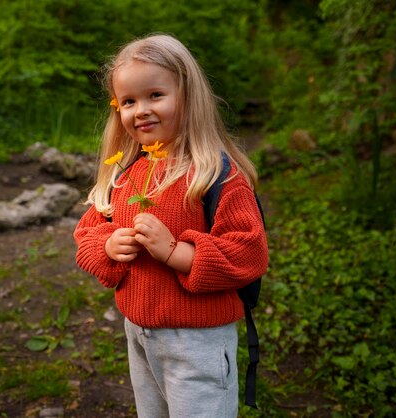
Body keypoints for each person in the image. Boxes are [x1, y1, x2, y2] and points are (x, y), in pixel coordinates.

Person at [73, 34, 269, 418]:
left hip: (198, 342)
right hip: (140, 334)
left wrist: (175, 252)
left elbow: (249, 253)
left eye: (155, 95)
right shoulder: (127, 174)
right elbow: (87, 232)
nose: (140, 110)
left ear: (188, 96)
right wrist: (108, 246)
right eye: (128, 101)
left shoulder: (215, 175)